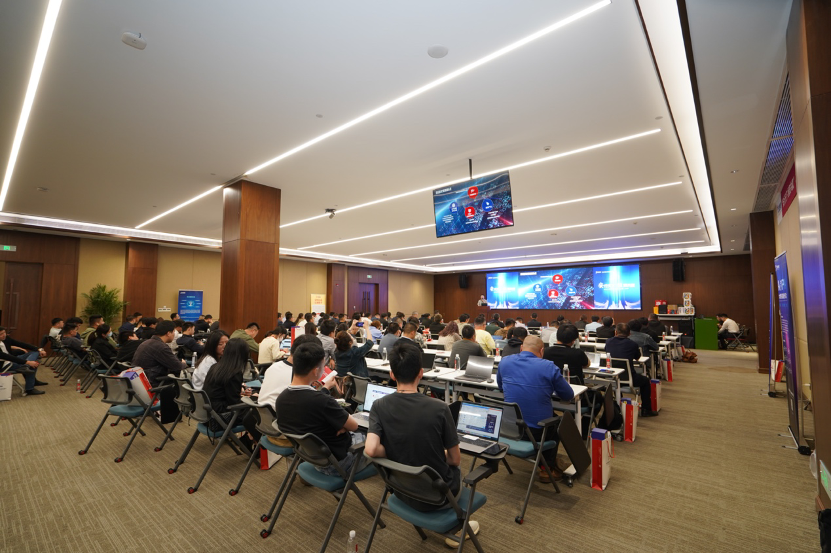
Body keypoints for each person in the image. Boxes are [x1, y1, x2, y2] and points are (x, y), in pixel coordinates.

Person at [365, 340, 465, 518]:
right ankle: (459, 522)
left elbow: (371, 449)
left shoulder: (378, 405)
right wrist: (438, 452)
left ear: (392, 374)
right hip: (438, 495)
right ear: (421, 373)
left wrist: (396, 447)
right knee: (458, 471)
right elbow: (455, 460)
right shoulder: (440, 408)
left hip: (401, 489)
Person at [276, 342, 365, 477]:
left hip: (314, 459)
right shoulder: (323, 401)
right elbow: (354, 426)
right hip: (340, 463)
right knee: (378, 437)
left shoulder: (281, 399)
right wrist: (343, 427)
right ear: (316, 371)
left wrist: (325, 389)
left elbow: (309, 407)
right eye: (323, 366)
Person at [497, 336, 574, 482]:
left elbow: (501, 387)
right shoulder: (548, 367)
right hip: (535, 433)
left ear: (521, 348)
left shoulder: (504, 362)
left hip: (508, 428)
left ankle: (548, 462)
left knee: (548, 417)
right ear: (542, 351)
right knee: (558, 422)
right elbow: (568, 395)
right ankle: (546, 468)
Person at [131, 321, 186, 423]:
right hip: (152, 382)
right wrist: (184, 363)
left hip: (140, 381)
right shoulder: (160, 346)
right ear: (168, 333)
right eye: (173, 332)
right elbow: (178, 367)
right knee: (181, 378)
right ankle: (175, 414)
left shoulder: (146, 342)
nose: (174, 335)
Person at [604, 324, 657, 417]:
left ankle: (618, 404)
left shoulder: (608, 342)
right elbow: (638, 358)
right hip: (629, 378)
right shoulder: (632, 344)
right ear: (629, 334)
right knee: (645, 381)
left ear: (616, 332)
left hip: (613, 377)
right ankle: (646, 409)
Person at [202, 338, 253, 432]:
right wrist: (251, 400)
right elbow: (234, 402)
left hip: (206, 413)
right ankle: (249, 439)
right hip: (220, 416)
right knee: (256, 412)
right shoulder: (234, 373)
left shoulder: (215, 367)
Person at [0, 326, 47, 396]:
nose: (4, 335)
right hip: (4, 364)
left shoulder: (6, 338)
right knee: (32, 365)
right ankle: (29, 389)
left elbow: (21, 344)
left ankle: (26, 368)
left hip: (12, 360)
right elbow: (7, 357)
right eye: (1, 334)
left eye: (4, 332)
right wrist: (28, 362)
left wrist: (39, 349)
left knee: (35, 352)